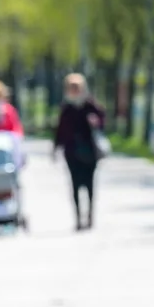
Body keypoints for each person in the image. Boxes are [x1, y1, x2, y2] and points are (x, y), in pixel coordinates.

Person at [52, 73, 104, 230]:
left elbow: (102, 121)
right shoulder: (66, 108)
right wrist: (55, 147)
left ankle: (89, 216)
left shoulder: (91, 105)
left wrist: (96, 122)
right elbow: (60, 130)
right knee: (74, 185)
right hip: (72, 152)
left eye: (77, 87)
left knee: (89, 184)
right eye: (71, 88)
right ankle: (78, 218)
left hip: (89, 151)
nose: (74, 91)